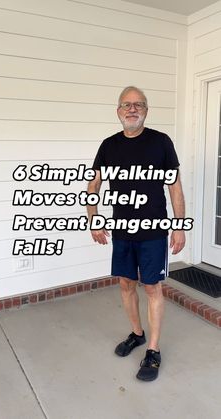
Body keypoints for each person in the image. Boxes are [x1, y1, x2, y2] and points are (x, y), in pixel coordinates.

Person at [87, 86, 185, 381]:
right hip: (122, 230)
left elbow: (175, 187)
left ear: (146, 110)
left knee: (152, 287)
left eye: (139, 104)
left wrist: (179, 225)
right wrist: (93, 218)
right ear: (118, 111)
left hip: (154, 230)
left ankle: (153, 350)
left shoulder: (161, 142)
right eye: (127, 105)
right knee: (126, 284)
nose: (132, 109)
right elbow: (94, 185)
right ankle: (137, 333)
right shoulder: (108, 145)